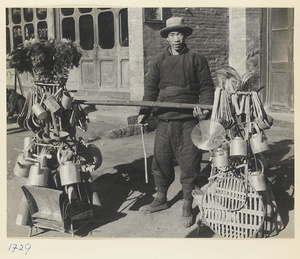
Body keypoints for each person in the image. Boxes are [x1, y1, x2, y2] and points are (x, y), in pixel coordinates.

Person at [138, 17, 215, 228]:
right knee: (161, 161)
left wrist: (204, 109)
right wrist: (144, 111)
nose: (176, 38)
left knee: (189, 162)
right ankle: (161, 198)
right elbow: (151, 88)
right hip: (164, 119)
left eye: (179, 34)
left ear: (186, 35)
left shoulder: (196, 59)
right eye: (172, 34)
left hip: (188, 119)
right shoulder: (159, 61)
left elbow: (207, 88)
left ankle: (187, 205)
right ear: (167, 38)